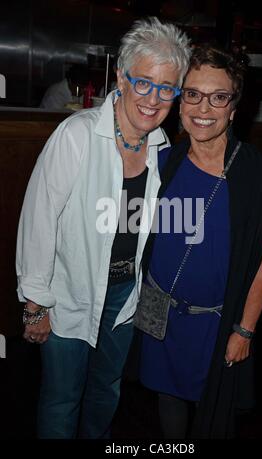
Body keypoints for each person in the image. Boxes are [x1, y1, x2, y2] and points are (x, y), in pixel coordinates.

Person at [16, 17, 191, 439]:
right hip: (67, 294)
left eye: (167, 88)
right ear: (121, 77)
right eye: (144, 82)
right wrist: (35, 303)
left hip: (124, 297)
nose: (154, 98)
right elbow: (38, 221)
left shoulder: (162, 148)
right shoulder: (76, 135)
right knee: (62, 398)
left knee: (106, 390)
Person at [138, 43, 262, 439]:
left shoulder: (258, 175)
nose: (203, 109)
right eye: (194, 95)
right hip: (161, 315)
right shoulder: (163, 163)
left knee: (214, 415)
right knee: (168, 402)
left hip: (216, 325)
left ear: (234, 107)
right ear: (181, 101)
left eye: (218, 97)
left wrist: (245, 330)